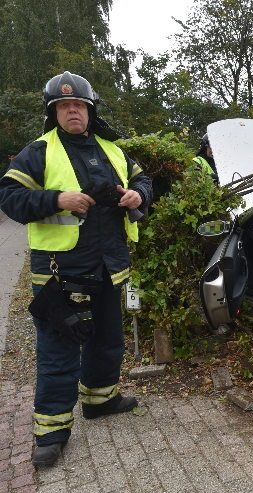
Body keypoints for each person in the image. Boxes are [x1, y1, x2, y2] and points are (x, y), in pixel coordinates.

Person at [0, 71, 153, 467]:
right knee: (59, 349)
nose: (73, 111)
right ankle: (50, 432)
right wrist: (56, 199)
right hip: (60, 272)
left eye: (79, 105)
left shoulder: (112, 150)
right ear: (54, 113)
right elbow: (9, 198)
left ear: (89, 110)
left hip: (107, 266)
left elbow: (144, 181)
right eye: (64, 106)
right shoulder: (39, 151)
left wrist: (139, 193)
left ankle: (100, 400)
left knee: (107, 339)